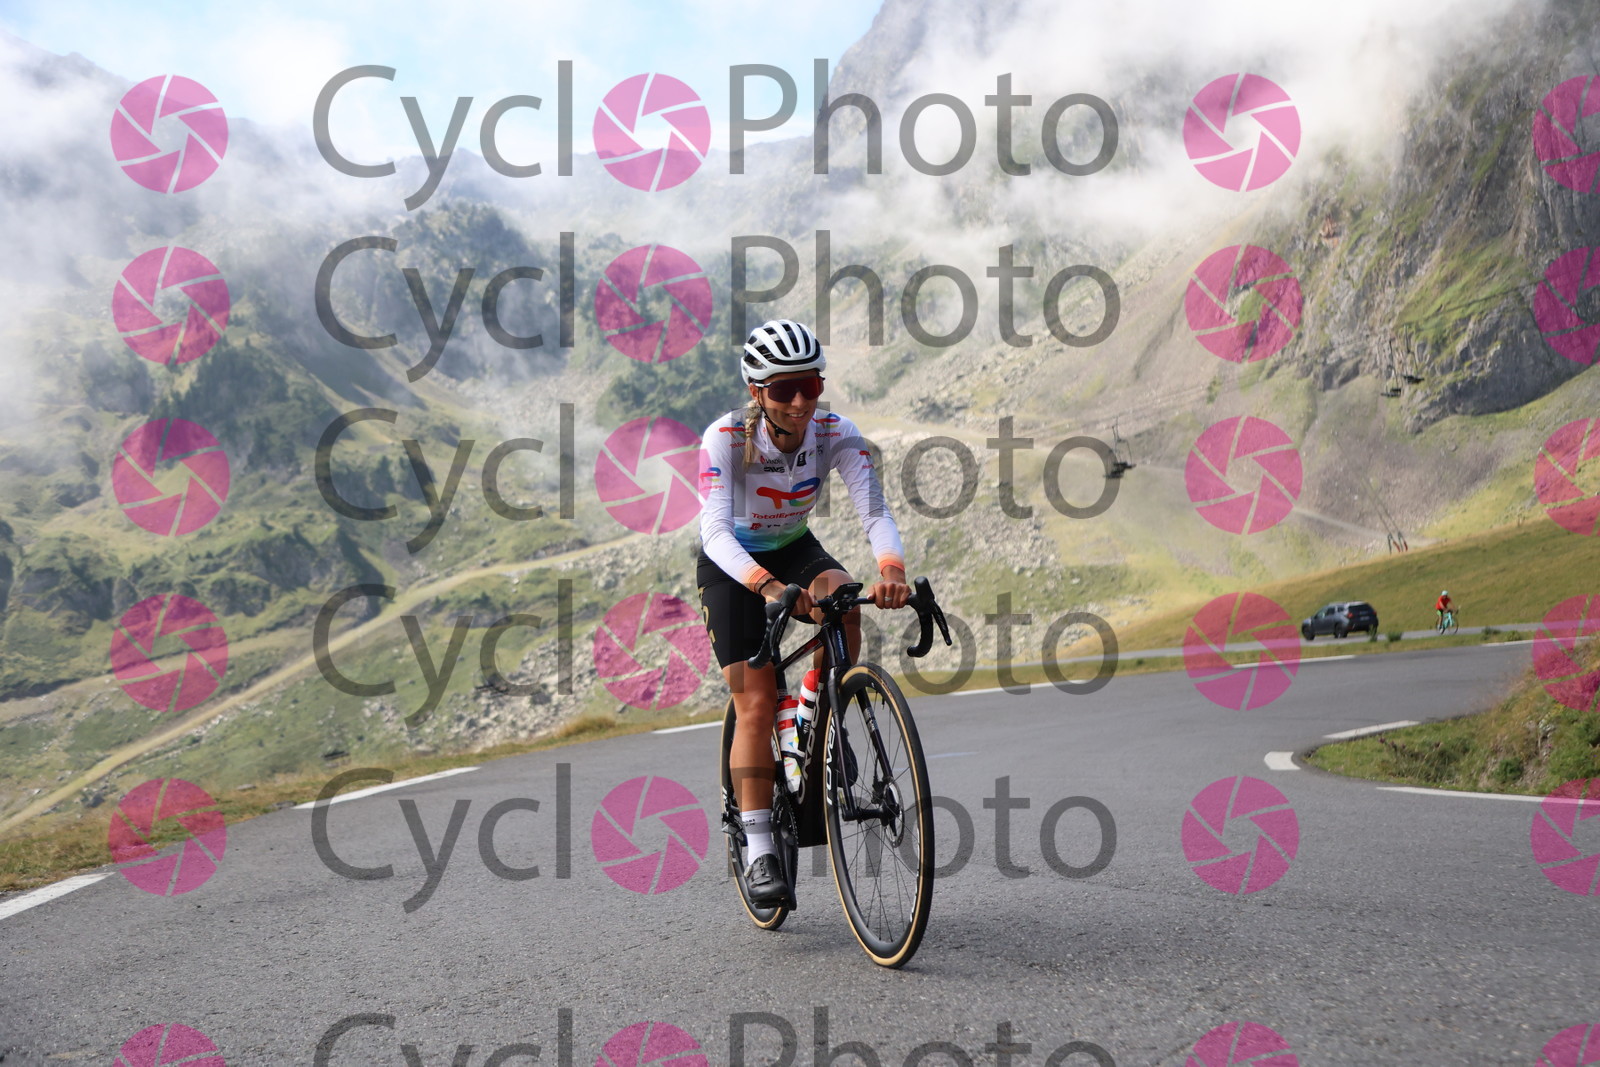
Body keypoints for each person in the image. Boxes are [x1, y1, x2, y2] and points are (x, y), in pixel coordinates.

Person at [696, 319, 910, 904]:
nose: (799, 402)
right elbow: (714, 532)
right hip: (732, 565)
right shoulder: (725, 439)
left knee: (845, 603)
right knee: (757, 701)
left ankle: (822, 710)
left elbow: (874, 511)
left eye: (810, 386)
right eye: (784, 389)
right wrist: (766, 586)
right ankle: (760, 849)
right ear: (756, 391)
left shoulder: (835, 432)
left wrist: (891, 570)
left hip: (793, 547)